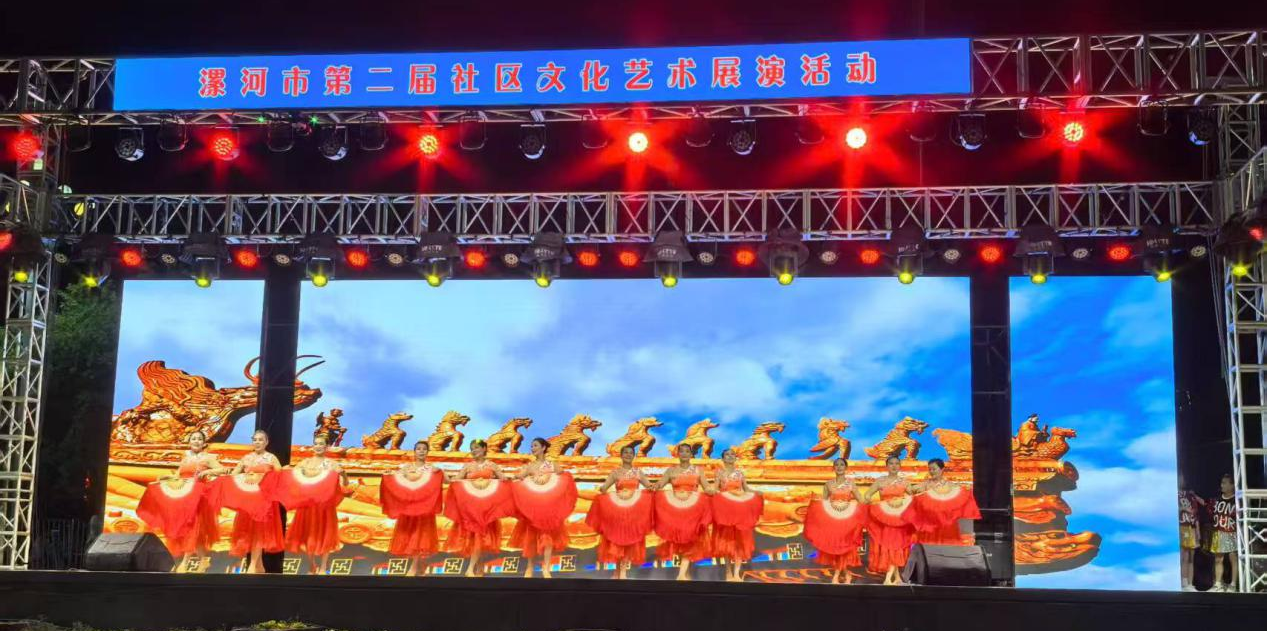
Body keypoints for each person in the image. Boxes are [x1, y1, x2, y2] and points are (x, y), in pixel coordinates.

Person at [135, 430, 222, 572]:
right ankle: (203, 560)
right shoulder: (185, 458)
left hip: (199, 498)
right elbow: (178, 475)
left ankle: (185, 562)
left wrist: (207, 472)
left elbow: (222, 469)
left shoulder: (207, 458)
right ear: (189, 442)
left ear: (204, 443)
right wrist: (166, 478)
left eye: (199, 439)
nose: (196, 441)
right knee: (191, 531)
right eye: (194, 438)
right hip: (184, 496)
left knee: (192, 528)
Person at [276, 432, 348, 574]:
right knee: (308, 534)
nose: (318, 446)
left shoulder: (332, 464)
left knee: (326, 535)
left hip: (325, 505)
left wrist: (343, 474)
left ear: (327, 447)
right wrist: (285, 471)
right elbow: (294, 478)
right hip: (307, 504)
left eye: (321, 444)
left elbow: (345, 484)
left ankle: (323, 567)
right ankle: (312, 564)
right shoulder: (305, 463)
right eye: (316, 444)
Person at [214, 429, 283, 574]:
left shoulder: (271, 458)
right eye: (255, 440)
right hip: (248, 500)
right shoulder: (246, 458)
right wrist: (222, 477)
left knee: (259, 531)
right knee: (249, 532)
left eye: (260, 440)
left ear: (266, 442)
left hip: (263, 499)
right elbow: (234, 475)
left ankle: (252, 565)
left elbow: (280, 475)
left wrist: (263, 477)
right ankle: (259, 566)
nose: (257, 442)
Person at [510, 438, 578, 578]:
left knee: (548, 538)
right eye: (532, 446)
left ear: (543, 448)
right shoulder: (530, 466)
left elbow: (564, 478)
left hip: (548, 508)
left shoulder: (551, 465)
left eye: (535, 445)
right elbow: (520, 477)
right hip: (533, 508)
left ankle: (546, 568)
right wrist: (512, 478)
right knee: (531, 538)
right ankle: (529, 567)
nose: (532, 448)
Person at [444, 439, 513, 577]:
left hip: (487, 508)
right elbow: (456, 481)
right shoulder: (468, 466)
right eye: (472, 448)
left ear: (484, 449)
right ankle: (477, 565)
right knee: (475, 536)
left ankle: (471, 568)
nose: (473, 451)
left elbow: (504, 480)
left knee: (481, 536)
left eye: (476, 448)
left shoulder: (492, 465)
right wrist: (443, 475)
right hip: (471, 509)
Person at [585, 444, 655, 579]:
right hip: (618, 511)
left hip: (633, 511)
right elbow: (605, 487)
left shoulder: (638, 472)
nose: (628, 455)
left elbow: (648, 486)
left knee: (628, 540)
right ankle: (617, 571)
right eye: (626, 452)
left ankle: (623, 571)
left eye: (631, 453)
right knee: (617, 540)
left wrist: (654, 487)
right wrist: (602, 489)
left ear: (633, 456)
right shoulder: (615, 473)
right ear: (621, 455)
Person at [381, 441, 444, 576]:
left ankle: (413, 567)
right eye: (418, 449)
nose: (421, 451)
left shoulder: (432, 468)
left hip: (424, 509)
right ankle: (420, 565)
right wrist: (388, 474)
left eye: (424, 449)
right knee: (409, 536)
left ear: (427, 452)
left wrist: (441, 473)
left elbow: (445, 481)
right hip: (408, 508)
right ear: (414, 452)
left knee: (420, 536)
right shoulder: (406, 468)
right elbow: (396, 481)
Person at [653, 443, 713, 581]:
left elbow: (706, 487)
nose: (684, 453)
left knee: (689, 540)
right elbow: (660, 484)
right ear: (678, 454)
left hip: (693, 510)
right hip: (675, 510)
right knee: (679, 540)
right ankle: (686, 572)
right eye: (682, 451)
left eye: (687, 451)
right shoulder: (671, 471)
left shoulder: (697, 470)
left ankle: (681, 574)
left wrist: (713, 490)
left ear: (691, 454)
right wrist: (653, 486)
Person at [804, 458, 868, 584]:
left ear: (846, 468)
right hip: (833, 519)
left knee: (844, 547)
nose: (839, 467)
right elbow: (824, 503)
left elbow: (861, 500)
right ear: (833, 468)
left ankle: (837, 575)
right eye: (837, 465)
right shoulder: (828, 484)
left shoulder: (851, 484)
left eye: (842, 465)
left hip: (847, 519)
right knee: (836, 547)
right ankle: (846, 574)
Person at [709, 447, 764, 582]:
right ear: (723, 458)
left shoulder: (740, 473)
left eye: (732, 454)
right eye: (727, 454)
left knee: (740, 541)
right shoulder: (719, 473)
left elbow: (746, 489)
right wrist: (714, 492)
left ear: (735, 458)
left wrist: (756, 492)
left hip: (740, 509)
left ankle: (737, 574)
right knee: (727, 542)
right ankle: (728, 572)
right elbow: (715, 488)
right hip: (726, 509)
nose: (730, 456)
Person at [864, 454, 918, 585]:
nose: (894, 466)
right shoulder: (880, 481)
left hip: (900, 519)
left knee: (897, 546)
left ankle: (895, 577)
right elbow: (867, 494)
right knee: (891, 546)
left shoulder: (904, 482)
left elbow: (913, 497)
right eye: (891, 463)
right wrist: (873, 504)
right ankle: (890, 578)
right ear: (887, 466)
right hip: (885, 519)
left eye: (896, 463)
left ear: (900, 466)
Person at [911, 458, 980, 545]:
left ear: (942, 469)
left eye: (934, 469)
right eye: (930, 469)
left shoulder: (950, 485)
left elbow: (959, 497)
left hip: (946, 522)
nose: (931, 471)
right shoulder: (925, 484)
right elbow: (913, 493)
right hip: (930, 522)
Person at [1210, 473, 1239, 592]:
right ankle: (1218, 584)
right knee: (1218, 559)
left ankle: (1233, 584)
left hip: (1232, 532)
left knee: (1233, 558)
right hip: (1219, 532)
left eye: (1225, 483)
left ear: (1232, 485)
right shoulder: (1217, 499)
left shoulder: (1237, 500)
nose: (1222, 485)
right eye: (1221, 483)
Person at [1177, 473, 1206, 591]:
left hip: (1192, 527)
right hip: (1182, 526)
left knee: (1191, 557)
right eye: (1180, 477)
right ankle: (1183, 582)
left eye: (1183, 477)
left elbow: (1196, 513)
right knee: (1184, 555)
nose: (1182, 479)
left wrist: (1198, 531)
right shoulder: (1174, 494)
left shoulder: (1190, 495)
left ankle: (1190, 583)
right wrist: (1183, 509)